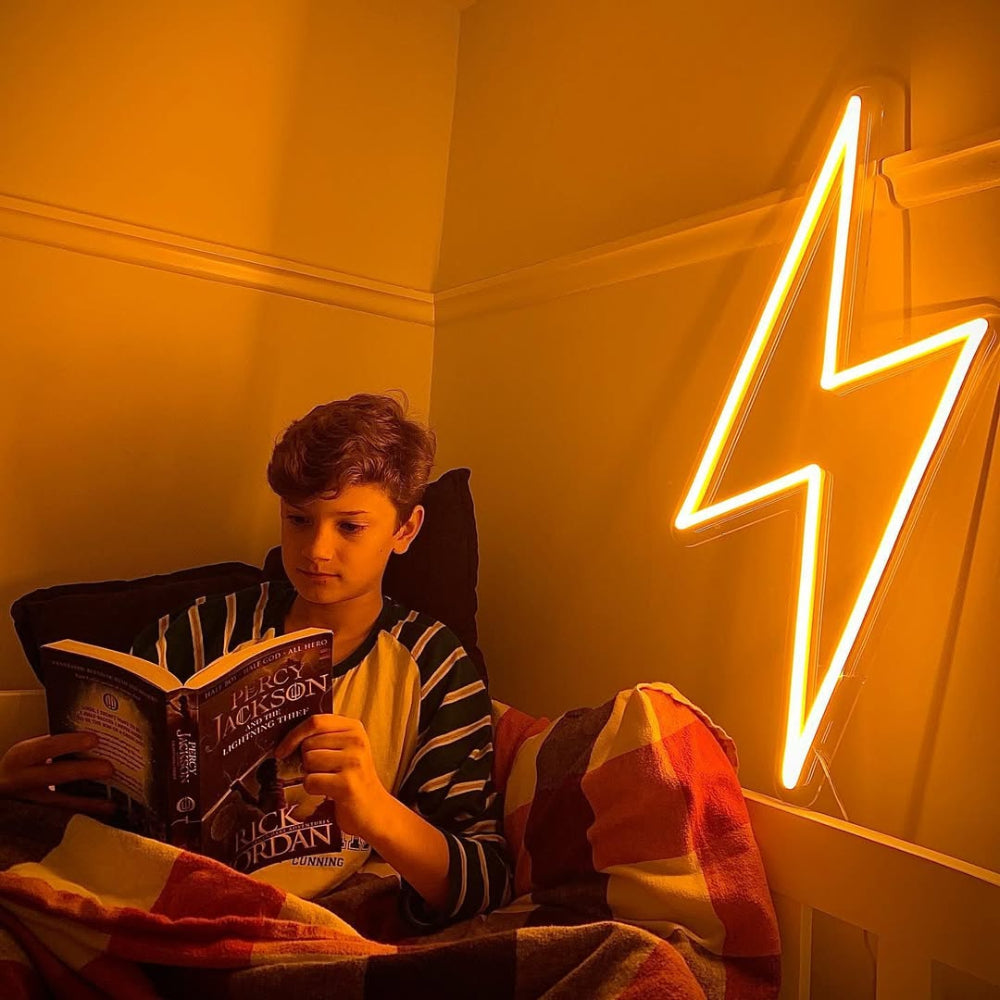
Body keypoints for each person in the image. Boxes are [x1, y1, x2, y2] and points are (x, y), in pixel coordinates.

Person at [0, 393, 511, 928]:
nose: (316, 550)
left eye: (350, 527)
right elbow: (105, 791)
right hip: (165, 899)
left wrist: (376, 811)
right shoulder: (202, 629)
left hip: (316, 922)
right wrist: (24, 786)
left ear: (404, 530)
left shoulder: (434, 665)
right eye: (298, 519)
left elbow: (487, 879)